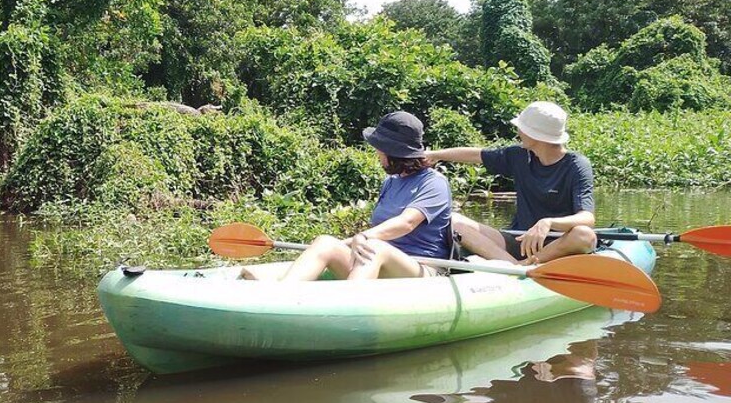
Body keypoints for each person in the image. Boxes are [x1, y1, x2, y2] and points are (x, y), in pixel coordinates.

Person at [247, 111, 453, 281]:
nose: (377, 155)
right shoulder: (391, 182)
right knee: (326, 241)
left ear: (395, 153)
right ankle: (282, 296)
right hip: (378, 263)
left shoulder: (434, 183)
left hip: (423, 270)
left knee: (374, 247)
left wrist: (364, 236)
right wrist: (341, 244)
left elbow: (406, 223)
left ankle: (347, 308)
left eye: (380, 150)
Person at [426, 101, 596, 265]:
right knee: (454, 220)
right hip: (518, 240)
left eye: (522, 128)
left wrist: (548, 222)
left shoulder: (577, 165)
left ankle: (527, 264)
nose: (518, 132)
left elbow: (587, 218)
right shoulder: (519, 156)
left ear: (536, 135)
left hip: (559, 244)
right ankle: (514, 265)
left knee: (584, 235)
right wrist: (435, 154)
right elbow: (475, 155)